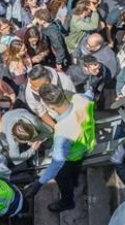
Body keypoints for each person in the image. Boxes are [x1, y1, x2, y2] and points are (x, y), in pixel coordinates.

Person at [23, 84, 95, 212]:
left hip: (71, 156)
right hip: (87, 144)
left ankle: (67, 202)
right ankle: (74, 181)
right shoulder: (80, 99)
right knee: (75, 168)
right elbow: (90, 94)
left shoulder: (63, 131)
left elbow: (56, 164)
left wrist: (38, 184)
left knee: (62, 176)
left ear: (50, 106)